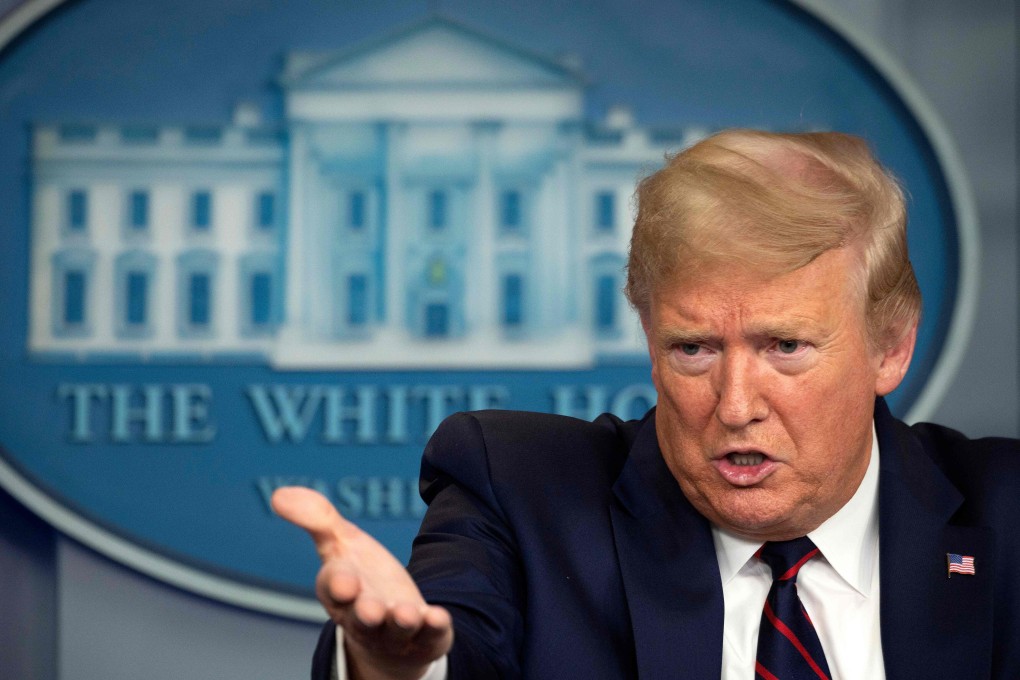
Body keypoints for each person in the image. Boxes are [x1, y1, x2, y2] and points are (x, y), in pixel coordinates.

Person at [273, 129, 1020, 680]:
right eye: (694, 348)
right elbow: (453, 642)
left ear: (890, 348)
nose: (734, 406)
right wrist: (391, 667)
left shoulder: (1008, 517)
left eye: (785, 347)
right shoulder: (524, 496)